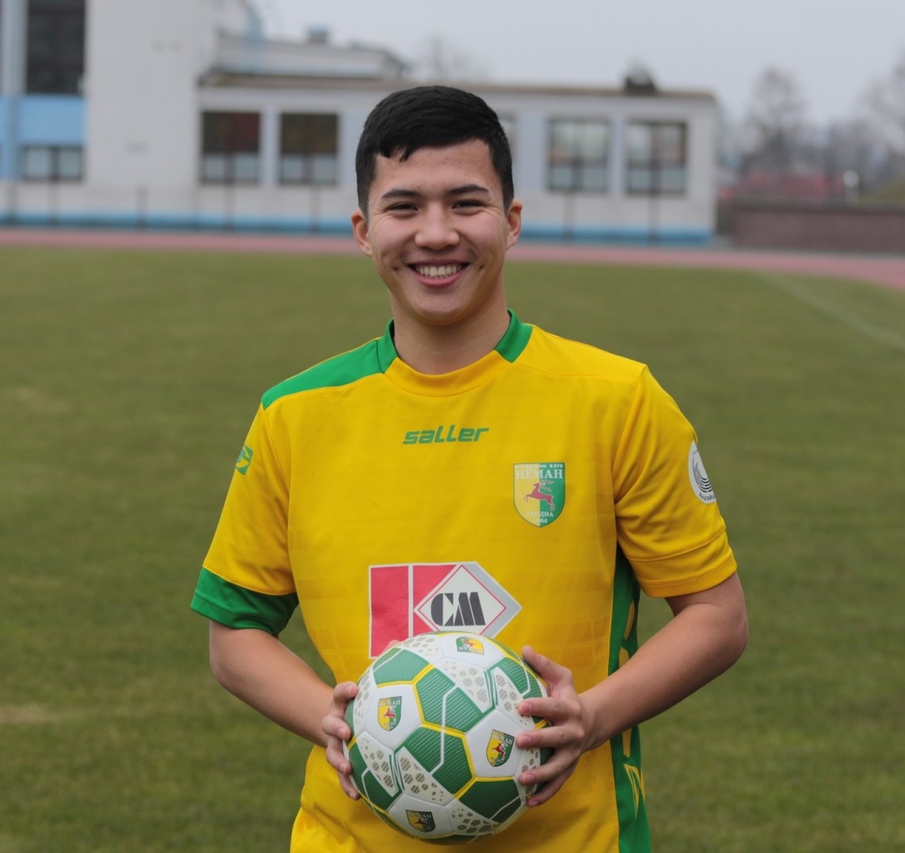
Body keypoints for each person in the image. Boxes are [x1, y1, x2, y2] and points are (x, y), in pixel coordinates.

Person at [191, 85, 748, 852]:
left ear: (511, 221)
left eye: (466, 203)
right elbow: (234, 632)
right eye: (404, 207)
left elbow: (717, 615)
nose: (436, 233)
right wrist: (336, 719)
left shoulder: (616, 400)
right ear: (363, 230)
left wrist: (593, 715)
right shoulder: (294, 414)